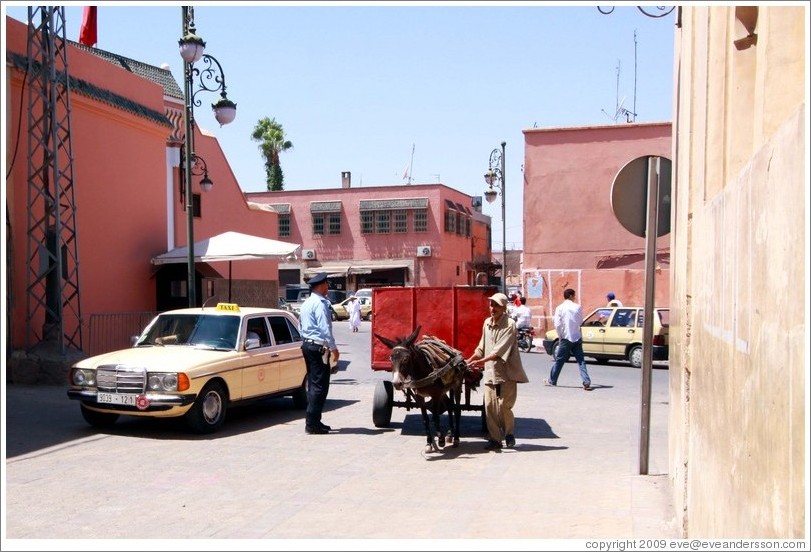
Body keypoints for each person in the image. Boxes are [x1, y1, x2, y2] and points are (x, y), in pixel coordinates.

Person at [465, 292, 529, 451]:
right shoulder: (487, 322)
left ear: (503, 307)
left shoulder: (510, 325)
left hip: (506, 373)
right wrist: (469, 360)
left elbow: (498, 352)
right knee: (489, 407)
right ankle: (495, 439)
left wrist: (479, 362)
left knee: (503, 407)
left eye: (496, 305)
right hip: (490, 373)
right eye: (491, 305)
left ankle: (508, 433)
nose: (492, 308)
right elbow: (481, 348)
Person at [298, 272, 340, 434]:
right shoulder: (320, 303)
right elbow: (325, 327)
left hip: (308, 345)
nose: (328, 287)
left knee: (314, 385)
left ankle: (315, 421)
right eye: (327, 284)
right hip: (318, 347)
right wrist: (334, 348)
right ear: (321, 285)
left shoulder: (307, 303)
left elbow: (301, 326)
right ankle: (312, 424)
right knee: (319, 386)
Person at [546, 288, 592, 390]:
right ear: (571, 296)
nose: (575, 297)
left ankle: (552, 380)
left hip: (566, 337)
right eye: (574, 295)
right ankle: (586, 381)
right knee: (581, 361)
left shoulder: (560, 308)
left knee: (559, 360)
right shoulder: (577, 307)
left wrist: (560, 335)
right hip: (576, 337)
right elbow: (580, 322)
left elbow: (557, 324)